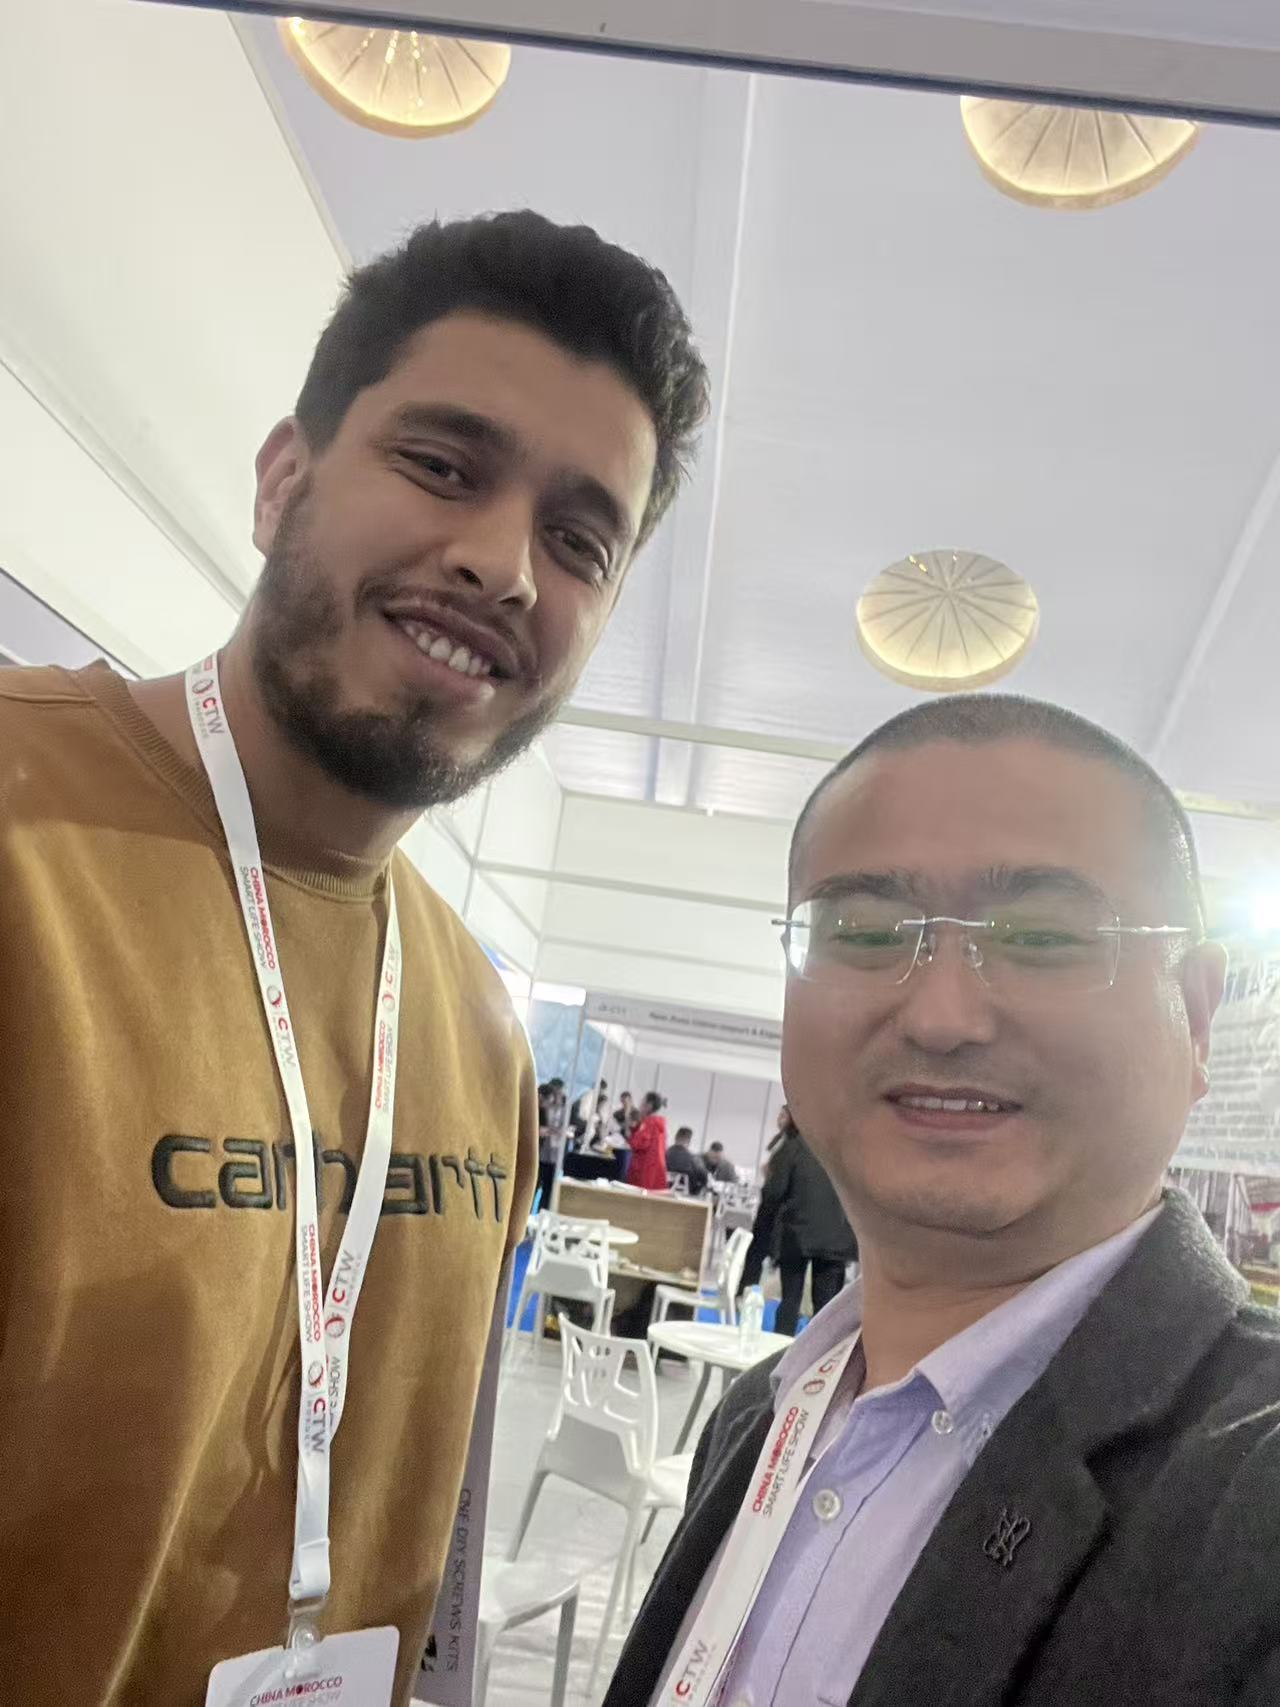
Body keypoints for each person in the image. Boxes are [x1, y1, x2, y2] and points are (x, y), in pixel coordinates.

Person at [0, 209, 708, 1707]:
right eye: (442, 466)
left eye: (579, 541)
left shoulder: (476, 1021)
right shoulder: (26, 827)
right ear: (283, 478)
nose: (502, 565)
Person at [604, 694, 1280, 1707]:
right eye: (865, 932)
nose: (941, 1015)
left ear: (1193, 1015)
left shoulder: (1249, 1492)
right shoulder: (761, 1415)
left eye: (1041, 937)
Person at [764, 1122, 858, 1335]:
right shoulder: (852, 1150)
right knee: (826, 1309)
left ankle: (784, 1349)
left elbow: (774, 1191)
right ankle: (820, 1354)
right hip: (837, 1238)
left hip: (797, 1234)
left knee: (790, 1300)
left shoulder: (794, 1145)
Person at [739, 1103, 798, 1293]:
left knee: (759, 1252)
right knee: (755, 1253)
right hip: (768, 1205)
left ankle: (750, 1290)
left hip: (775, 1210)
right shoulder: (780, 1141)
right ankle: (747, 1289)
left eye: (783, 1116)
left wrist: (771, 1174)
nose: (779, 1120)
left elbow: (780, 1180)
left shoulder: (791, 1144)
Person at [626, 1091, 670, 1191]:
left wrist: (630, 1132)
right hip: (656, 1170)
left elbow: (638, 1144)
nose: (639, 1106)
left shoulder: (649, 1123)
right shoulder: (660, 1124)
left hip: (645, 1170)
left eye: (642, 1103)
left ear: (649, 1106)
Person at [665, 1126, 710, 1196]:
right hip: (687, 1196)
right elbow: (705, 1178)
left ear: (675, 1138)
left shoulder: (663, 1154)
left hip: (662, 1192)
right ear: (689, 1140)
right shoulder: (694, 1159)